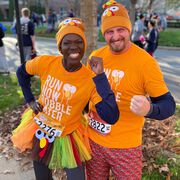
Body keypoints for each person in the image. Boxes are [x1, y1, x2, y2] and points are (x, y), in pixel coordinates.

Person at [11, 17, 119, 180]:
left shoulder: (91, 79)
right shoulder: (46, 63)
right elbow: (21, 72)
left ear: (84, 46)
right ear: (60, 47)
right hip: (42, 131)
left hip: (69, 135)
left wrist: (101, 78)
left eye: (79, 42)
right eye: (67, 42)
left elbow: (111, 116)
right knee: (42, 177)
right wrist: (30, 100)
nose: (73, 46)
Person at [85, 1, 176, 179]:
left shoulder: (145, 63)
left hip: (126, 147)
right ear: (104, 33)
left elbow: (168, 105)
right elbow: (87, 94)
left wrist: (150, 109)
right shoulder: (95, 57)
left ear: (129, 29)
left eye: (121, 30)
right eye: (109, 31)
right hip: (93, 141)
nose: (115, 36)